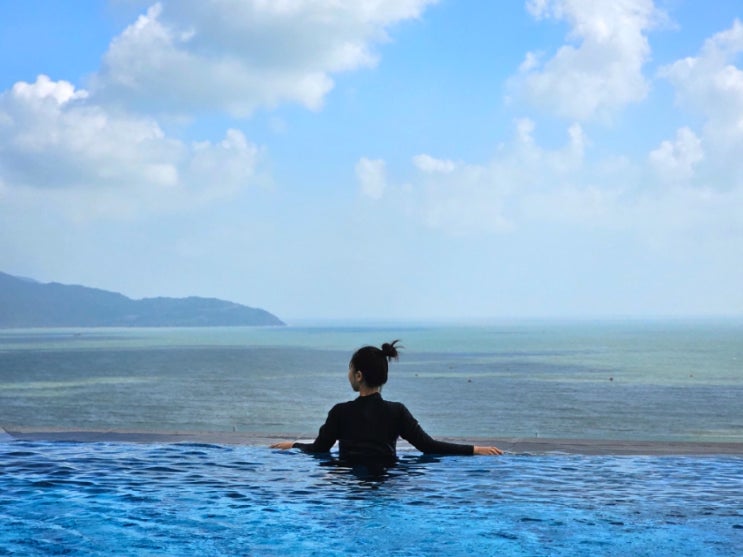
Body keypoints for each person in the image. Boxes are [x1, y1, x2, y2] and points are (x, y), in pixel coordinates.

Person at [271, 340, 502, 463]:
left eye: (350, 370)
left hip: (348, 486)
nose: (348, 374)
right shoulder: (397, 411)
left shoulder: (340, 412)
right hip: (387, 482)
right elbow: (429, 446)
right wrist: (475, 449)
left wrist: (294, 445)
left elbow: (318, 449)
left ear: (358, 375)